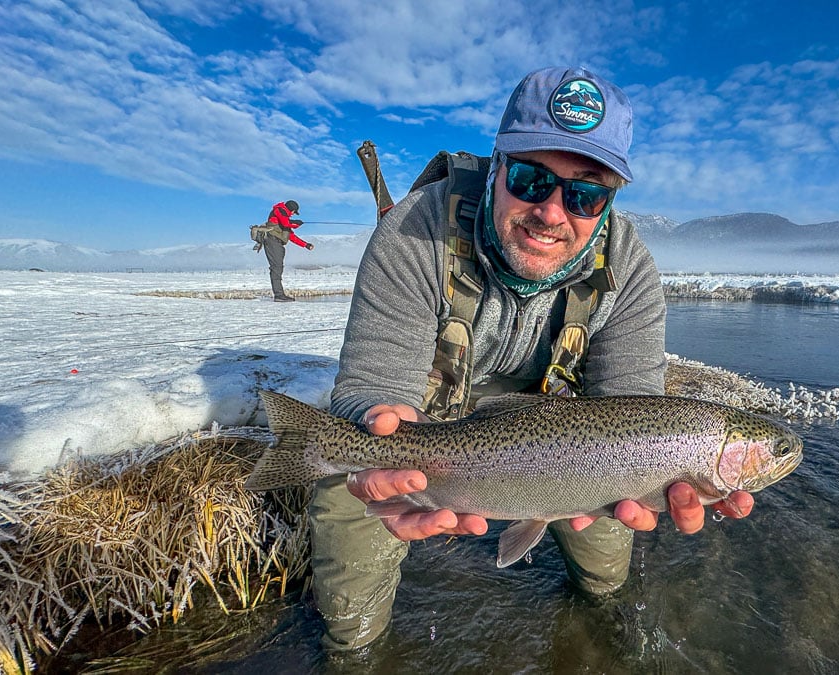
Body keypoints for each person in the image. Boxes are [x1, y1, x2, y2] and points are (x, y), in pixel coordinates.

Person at [310, 66, 756, 651]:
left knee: (607, 566)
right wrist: (376, 424)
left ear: (607, 202)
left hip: (552, 430)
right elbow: (372, 384)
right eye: (529, 178)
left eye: (585, 193)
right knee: (354, 533)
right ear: (496, 166)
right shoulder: (413, 231)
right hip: (422, 419)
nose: (552, 211)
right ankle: (354, 651)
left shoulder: (631, 272)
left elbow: (629, 409)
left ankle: (597, 621)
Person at [263, 199, 312, 302]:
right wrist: (295, 223)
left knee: (278, 268)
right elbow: (286, 223)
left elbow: (291, 236)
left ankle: (279, 294)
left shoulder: (284, 218)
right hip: (272, 241)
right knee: (276, 268)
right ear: (291, 209)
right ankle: (279, 295)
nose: (293, 214)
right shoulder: (279, 210)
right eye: (294, 212)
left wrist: (306, 245)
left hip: (278, 244)